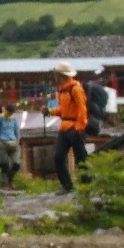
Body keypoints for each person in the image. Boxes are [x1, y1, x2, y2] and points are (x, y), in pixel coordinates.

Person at [51, 60, 88, 193]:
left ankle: (87, 186)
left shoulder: (75, 88)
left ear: (61, 75)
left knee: (81, 158)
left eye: (56, 74)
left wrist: (79, 127)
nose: (55, 76)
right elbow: (63, 111)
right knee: (58, 157)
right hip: (64, 127)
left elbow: (82, 108)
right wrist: (50, 112)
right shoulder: (62, 91)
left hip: (75, 127)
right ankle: (67, 186)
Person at [0, 99, 24, 189]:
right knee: (4, 164)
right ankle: (4, 183)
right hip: (3, 142)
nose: (10, 114)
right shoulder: (0, 119)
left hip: (13, 142)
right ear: (5, 110)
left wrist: (18, 141)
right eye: (9, 112)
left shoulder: (14, 120)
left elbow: (17, 132)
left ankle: (10, 179)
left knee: (16, 164)